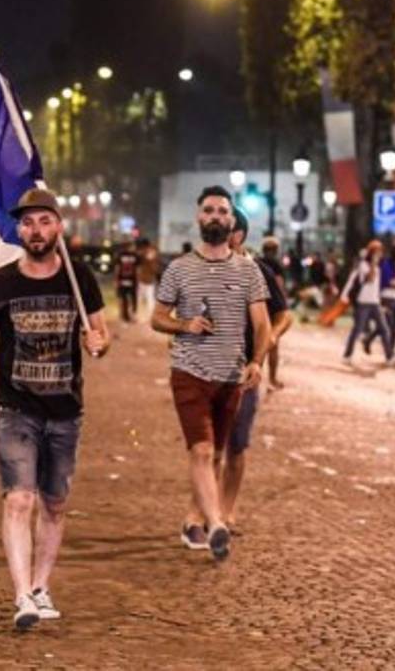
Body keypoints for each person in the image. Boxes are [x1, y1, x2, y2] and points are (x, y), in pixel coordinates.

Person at [0, 187, 108, 630]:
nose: (35, 230)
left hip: (65, 410)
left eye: (43, 221)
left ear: (59, 226)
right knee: (19, 499)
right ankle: (22, 595)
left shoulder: (80, 278)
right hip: (14, 409)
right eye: (27, 223)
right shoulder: (1, 282)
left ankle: (41, 586)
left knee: (54, 503)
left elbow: (100, 334)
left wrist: (99, 344)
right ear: (18, 230)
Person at [151, 186, 270, 563]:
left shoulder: (248, 270)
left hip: (231, 377)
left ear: (232, 221)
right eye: (209, 210)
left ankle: (194, 519)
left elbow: (263, 324)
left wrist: (257, 362)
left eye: (222, 211)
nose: (216, 216)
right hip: (189, 372)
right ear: (199, 218)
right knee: (201, 450)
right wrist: (184, 325)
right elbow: (156, 317)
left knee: (216, 452)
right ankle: (216, 523)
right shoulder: (179, 268)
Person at [220, 209, 291, 534]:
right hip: (209, 370)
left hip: (245, 371)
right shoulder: (205, 269)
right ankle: (205, 512)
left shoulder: (258, 270)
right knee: (207, 448)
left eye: (225, 229)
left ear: (239, 235)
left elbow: (283, 315)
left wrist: (269, 338)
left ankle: (227, 511)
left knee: (237, 446)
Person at [341, 240, 395, 367]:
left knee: (384, 329)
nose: (380, 254)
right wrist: (373, 263)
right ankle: (347, 355)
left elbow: (377, 286)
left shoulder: (378, 266)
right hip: (364, 302)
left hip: (375, 302)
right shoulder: (364, 265)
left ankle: (389, 357)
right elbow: (369, 278)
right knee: (357, 330)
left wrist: (380, 301)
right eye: (378, 251)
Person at [259, 236, 286, 388]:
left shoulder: (257, 262)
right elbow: (279, 285)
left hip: (257, 305)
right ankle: (272, 379)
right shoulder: (276, 265)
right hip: (272, 307)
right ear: (275, 250)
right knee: (273, 344)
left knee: (256, 341)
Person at [135, 238, 160, 323]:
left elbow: (146, 257)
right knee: (149, 299)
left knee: (143, 299)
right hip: (148, 279)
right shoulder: (152, 251)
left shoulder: (147, 252)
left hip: (145, 278)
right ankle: (148, 317)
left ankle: (141, 316)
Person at [115, 241, 138, 323]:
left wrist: (117, 280)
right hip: (130, 280)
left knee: (125, 298)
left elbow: (117, 268)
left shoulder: (120, 255)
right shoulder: (134, 255)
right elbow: (137, 269)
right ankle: (129, 315)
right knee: (131, 299)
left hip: (124, 280)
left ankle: (126, 316)